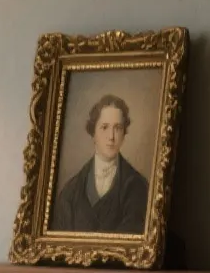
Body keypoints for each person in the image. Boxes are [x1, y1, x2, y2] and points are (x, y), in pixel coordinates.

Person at [49, 94, 149, 234]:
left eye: (118, 128)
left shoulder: (138, 187)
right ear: (93, 133)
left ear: (124, 134)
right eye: (104, 127)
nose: (111, 137)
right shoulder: (70, 193)